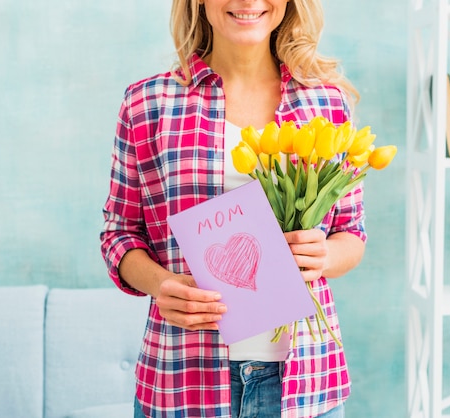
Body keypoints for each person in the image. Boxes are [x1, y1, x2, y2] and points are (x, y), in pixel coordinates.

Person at [100, 0, 366, 417]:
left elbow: (352, 233)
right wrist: (160, 283)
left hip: (303, 385)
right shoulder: (148, 103)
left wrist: (325, 254)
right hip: (181, 378)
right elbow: (120, 232)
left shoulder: (325, 103)